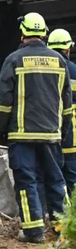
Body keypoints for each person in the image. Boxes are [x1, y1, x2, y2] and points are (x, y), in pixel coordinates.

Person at [0, 12, 72, 243]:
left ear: (23, 33)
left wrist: (2, 132)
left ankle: (34, 231)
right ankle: (65, 229)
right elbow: (66, 103)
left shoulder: (14, 60)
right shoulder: (59, 61)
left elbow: (2, 102)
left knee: (26, 181)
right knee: (56, 180)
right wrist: (62, 132)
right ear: (44, 33)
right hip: (51, 134)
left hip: (21, 134)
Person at [50, 28, 76, 197]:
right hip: (73, 135)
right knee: (72, 177)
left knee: (53, 179)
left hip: (50, 131)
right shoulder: (74, 69)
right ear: (68, 49)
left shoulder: (45, 68)